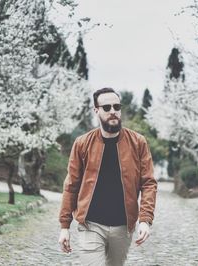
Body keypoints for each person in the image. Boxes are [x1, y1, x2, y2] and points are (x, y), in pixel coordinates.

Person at [58, 87, 157, 265]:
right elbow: (71, 185)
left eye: (117, 107)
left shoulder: (138, 142)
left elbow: (149, 183)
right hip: (90, 225)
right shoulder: (82, 144)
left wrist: (145, 220)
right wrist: (65, 226)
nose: (113, 111)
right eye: (106, 107)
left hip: (123, 226)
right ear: (96, 110)